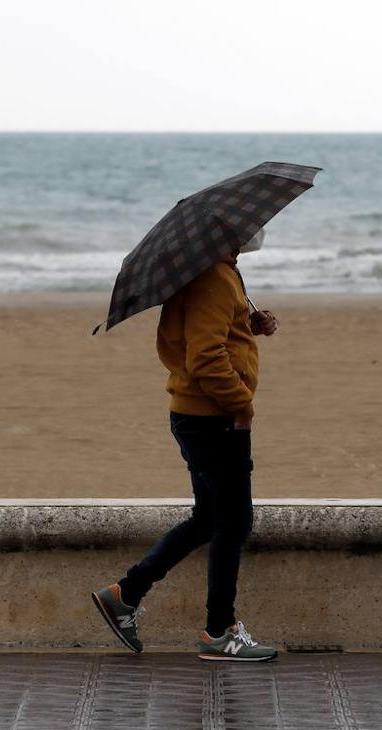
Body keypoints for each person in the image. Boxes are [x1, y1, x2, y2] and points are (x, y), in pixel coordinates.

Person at [92, 229, 279, 662]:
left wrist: (250, 324)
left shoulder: (217, 271)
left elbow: (211, 331)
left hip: (198, 416)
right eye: (253, 225)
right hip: (212, 418)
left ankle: (126, 593)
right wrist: (242, 405)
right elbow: (205, 357)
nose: (259, 231)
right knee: (233, 523)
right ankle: (220, 631)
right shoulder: (213, 276)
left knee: (209, 518)